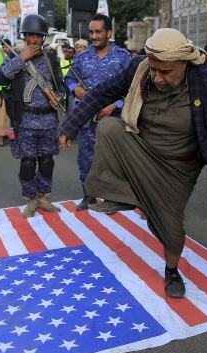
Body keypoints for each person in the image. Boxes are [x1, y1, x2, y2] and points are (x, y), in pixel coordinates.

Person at [59, 28, 207, 297]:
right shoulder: (139, 67)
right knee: (109, 128)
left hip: (179, 167)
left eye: (165, 72)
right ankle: (124, 196)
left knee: (172, 229)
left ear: (183, 64)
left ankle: (172, 270)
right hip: (142, 151)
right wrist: (69, 126)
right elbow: (103, 92)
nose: (156, 77)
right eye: (153, 69)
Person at [0, 14, 64, 218]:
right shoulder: (14, 57)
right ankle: (30, 201)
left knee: (46, 161)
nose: (35, 39)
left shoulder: (51, 59)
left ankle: (44, 198)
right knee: (27, 163)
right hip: (25, 120)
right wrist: (21, 58)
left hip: (48, 120)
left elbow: (59, 85)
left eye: (38, 36)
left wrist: (58, 98)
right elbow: (0, 78)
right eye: (31, 35)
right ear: (25, 36)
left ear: (43, 38)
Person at [64, 14, 131, 211]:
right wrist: (76, 88)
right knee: (86, 157)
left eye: (98, 32)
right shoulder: (83, 57)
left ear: (108, 33)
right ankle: (89, 195)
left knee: (114, 159)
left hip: (114, 120)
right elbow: (69, 79)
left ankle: (113, 198)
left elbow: (134, 87)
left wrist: (115, 105)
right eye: (91, 32)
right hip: (88, 120)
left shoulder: (123, 56)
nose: (93, 36)